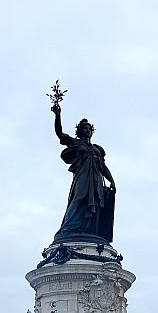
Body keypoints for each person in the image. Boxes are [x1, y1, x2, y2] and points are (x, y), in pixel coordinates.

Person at [50, 100, 116, 242]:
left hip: (96, 179)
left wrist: (112, 181)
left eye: (89, 128)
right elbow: (60, 133)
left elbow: (102, 167)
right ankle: (69, 227)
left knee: (96, 203)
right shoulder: (75, 143)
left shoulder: (97, 149)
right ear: (80, 131)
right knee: (79, 198)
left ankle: (89, 230)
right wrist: (57, 115)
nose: (88, 130)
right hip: (82, 177)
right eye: (85, 128)